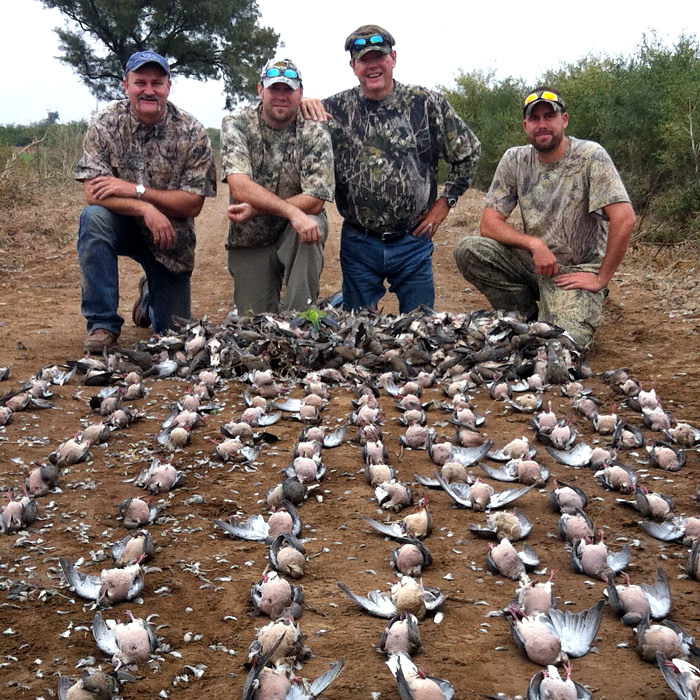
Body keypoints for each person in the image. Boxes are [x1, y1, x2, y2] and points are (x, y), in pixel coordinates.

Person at [301, 25, 480, 314]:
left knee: (421, 328)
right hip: (359, 242)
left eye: (379, 57)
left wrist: (444, 205)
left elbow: (468, 153)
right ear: (353, 66)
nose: (373, 65)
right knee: (358, 333)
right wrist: (302, 102)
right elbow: (281, 114)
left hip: (413, 241)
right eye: (364, 59)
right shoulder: (333, 109)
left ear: (393, 59)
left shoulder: (426, 104)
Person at [454, 87, 636, 349]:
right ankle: (522, 315)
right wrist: (535, 245)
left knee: (562, 345)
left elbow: (624, 218)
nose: (542, 125)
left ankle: (563, 311)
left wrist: (600, 278)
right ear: (525, 125)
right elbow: (488, 224)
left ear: (564, 120)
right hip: (537, 263)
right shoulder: (514, 159)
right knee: (469, 249)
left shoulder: (590, 155)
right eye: (535, 119)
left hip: (575, 271)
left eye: (549, 116)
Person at [74, 50, 217, 354]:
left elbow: (192, 204)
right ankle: (102, 324)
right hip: (122, 223)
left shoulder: (192, 131)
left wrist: (136, 191)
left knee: (173, 335)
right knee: (94, 218)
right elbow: (92, 192)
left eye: (157, 82)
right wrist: (144, 208)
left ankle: (149, 299)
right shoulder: (104, 123)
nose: (149, 90)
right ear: (126, 85)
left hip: (170, 237)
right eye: (140, 82)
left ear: (168, 86)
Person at [221, 58, 335, 314]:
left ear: (300, 93)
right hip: (251, 236)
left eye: (288, 89)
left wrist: (263, 209)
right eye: (274, 89)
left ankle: (301, 320)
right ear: (261, 91)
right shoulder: (236, 122)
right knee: (253, 322)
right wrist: (292, 211)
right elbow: (240, 186)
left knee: (311, 223)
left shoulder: (315, 129)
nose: (281, 96)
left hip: (296, 232)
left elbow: (316, 199)